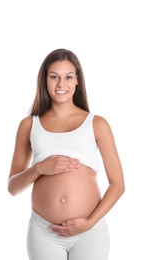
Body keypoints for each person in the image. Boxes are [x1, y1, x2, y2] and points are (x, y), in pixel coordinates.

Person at [8, 48, 125, 260]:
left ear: (77, 80)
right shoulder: (29, 125)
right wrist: (38, 169)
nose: (61, 84)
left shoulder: (97, 124)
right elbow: (13, 187)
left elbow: (118, 184)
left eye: (68, 77)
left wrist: (90, 222)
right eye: (54, 77)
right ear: (44, 80)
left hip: (90, 232)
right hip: (45, 232)